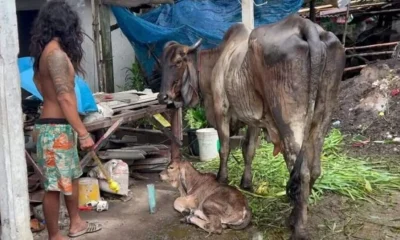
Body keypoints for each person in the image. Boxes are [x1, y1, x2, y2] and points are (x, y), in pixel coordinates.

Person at [30, 1, 102, 239]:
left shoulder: (45, 53)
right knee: (54, 187)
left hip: (58, 127)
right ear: (65, 25)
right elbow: (64, 98)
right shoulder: (56, 56)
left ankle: (76, 223)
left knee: (70, 178)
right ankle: (55, 236)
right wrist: (82, 132)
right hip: (55, 129)